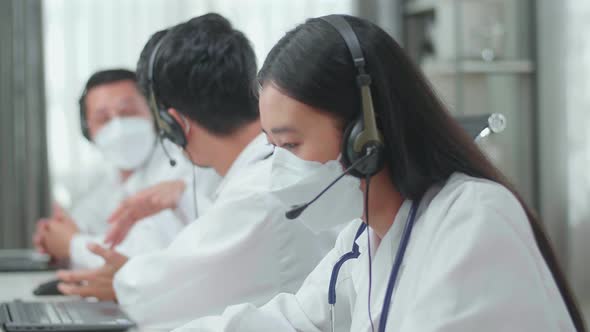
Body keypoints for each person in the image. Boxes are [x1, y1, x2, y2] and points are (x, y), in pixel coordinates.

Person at [175, 15, 585, 332]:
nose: (278, 167)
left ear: (364, 137)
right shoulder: (362, 239)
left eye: (292, 144)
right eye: (272, 146)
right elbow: (293, 321)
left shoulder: (472, 219)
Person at [56, 14, 357, 330]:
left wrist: (113, 274)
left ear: (175, 123)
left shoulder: (261, 190)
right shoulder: (255, 172)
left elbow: (157, 293)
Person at [34, 69, 221, 269]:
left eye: (128, 112)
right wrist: (55, 236)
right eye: (103, 119)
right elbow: (84, 223)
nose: (118, 126)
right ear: (88, 132)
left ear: (155, 114)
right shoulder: (107, 179)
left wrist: (71, 245)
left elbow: (143, 258)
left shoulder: (183, 165)